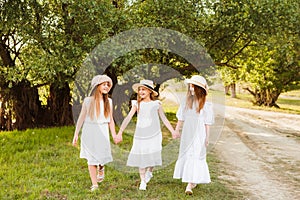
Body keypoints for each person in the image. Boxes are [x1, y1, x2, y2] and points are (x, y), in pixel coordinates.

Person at [116, 79, 177, 191]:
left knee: (152, 154)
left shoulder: (156, 104)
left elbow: (164, 119)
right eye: (139, 90)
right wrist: (120, 132)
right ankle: (143, 181)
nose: (141, 91)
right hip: (141, 134)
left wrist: (173, 131)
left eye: (143, 89)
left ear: (150, 91)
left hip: (154, 134)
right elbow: (128, 117)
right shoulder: (137, 104)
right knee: (142, 155)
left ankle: (150, 171)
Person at [72, 75, 118, 191]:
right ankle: (94, 184)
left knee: (101, 156)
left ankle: (101, 166)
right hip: (89, 132)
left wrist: (114, 135)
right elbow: (81, 118)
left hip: (102, 132)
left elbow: (110, 120)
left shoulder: (109, 102)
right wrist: (76, 134)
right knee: (91, 158)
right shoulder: (88, 101)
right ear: (97, 86)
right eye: (104, 84)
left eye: (108, 85)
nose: (107, 86)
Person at [173, 75, 214, 195]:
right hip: (188, 132)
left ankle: (190, 184)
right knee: (188, 154)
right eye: (190, 86)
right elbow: (181, 118)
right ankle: (191, 180)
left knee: (196, 154)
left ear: (199, 89)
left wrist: (207, 137)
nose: (191, 89)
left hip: (199, 133)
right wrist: (176, 130)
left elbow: (207, 123)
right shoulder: (187, 102)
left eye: (193, 87)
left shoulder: (206, 104)